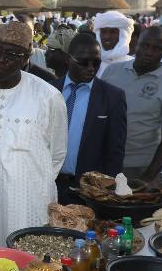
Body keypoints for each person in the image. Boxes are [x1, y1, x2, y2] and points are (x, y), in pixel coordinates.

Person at [0, 21, 67, 247]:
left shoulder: (48, 96)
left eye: (12, 54)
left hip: (30, 201)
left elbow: (58, 154)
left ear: (26, 58)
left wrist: (31, 182)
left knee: (30, 268)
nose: (1, 59)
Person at [101, 26, 162, 181]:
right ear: (136, 43)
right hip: (103, 160)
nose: (149, 52)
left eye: (157, 48)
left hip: (139, 167)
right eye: (145, 45)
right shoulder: (112, 71)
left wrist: (148, 177)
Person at [53, 32, 127, 205]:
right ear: (68, 60)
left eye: (96, 62)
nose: (91, 67)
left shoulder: (113, 97)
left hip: (89, 192)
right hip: (49, 185)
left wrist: (106, 192)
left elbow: (115, 151)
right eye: (84, 62)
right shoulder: (49, 91)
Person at [92, 10, 134, 77]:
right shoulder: (90, 64)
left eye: (113, 32)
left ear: (122, 35)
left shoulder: (132, 64)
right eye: (103, 32)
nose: (107, 36)